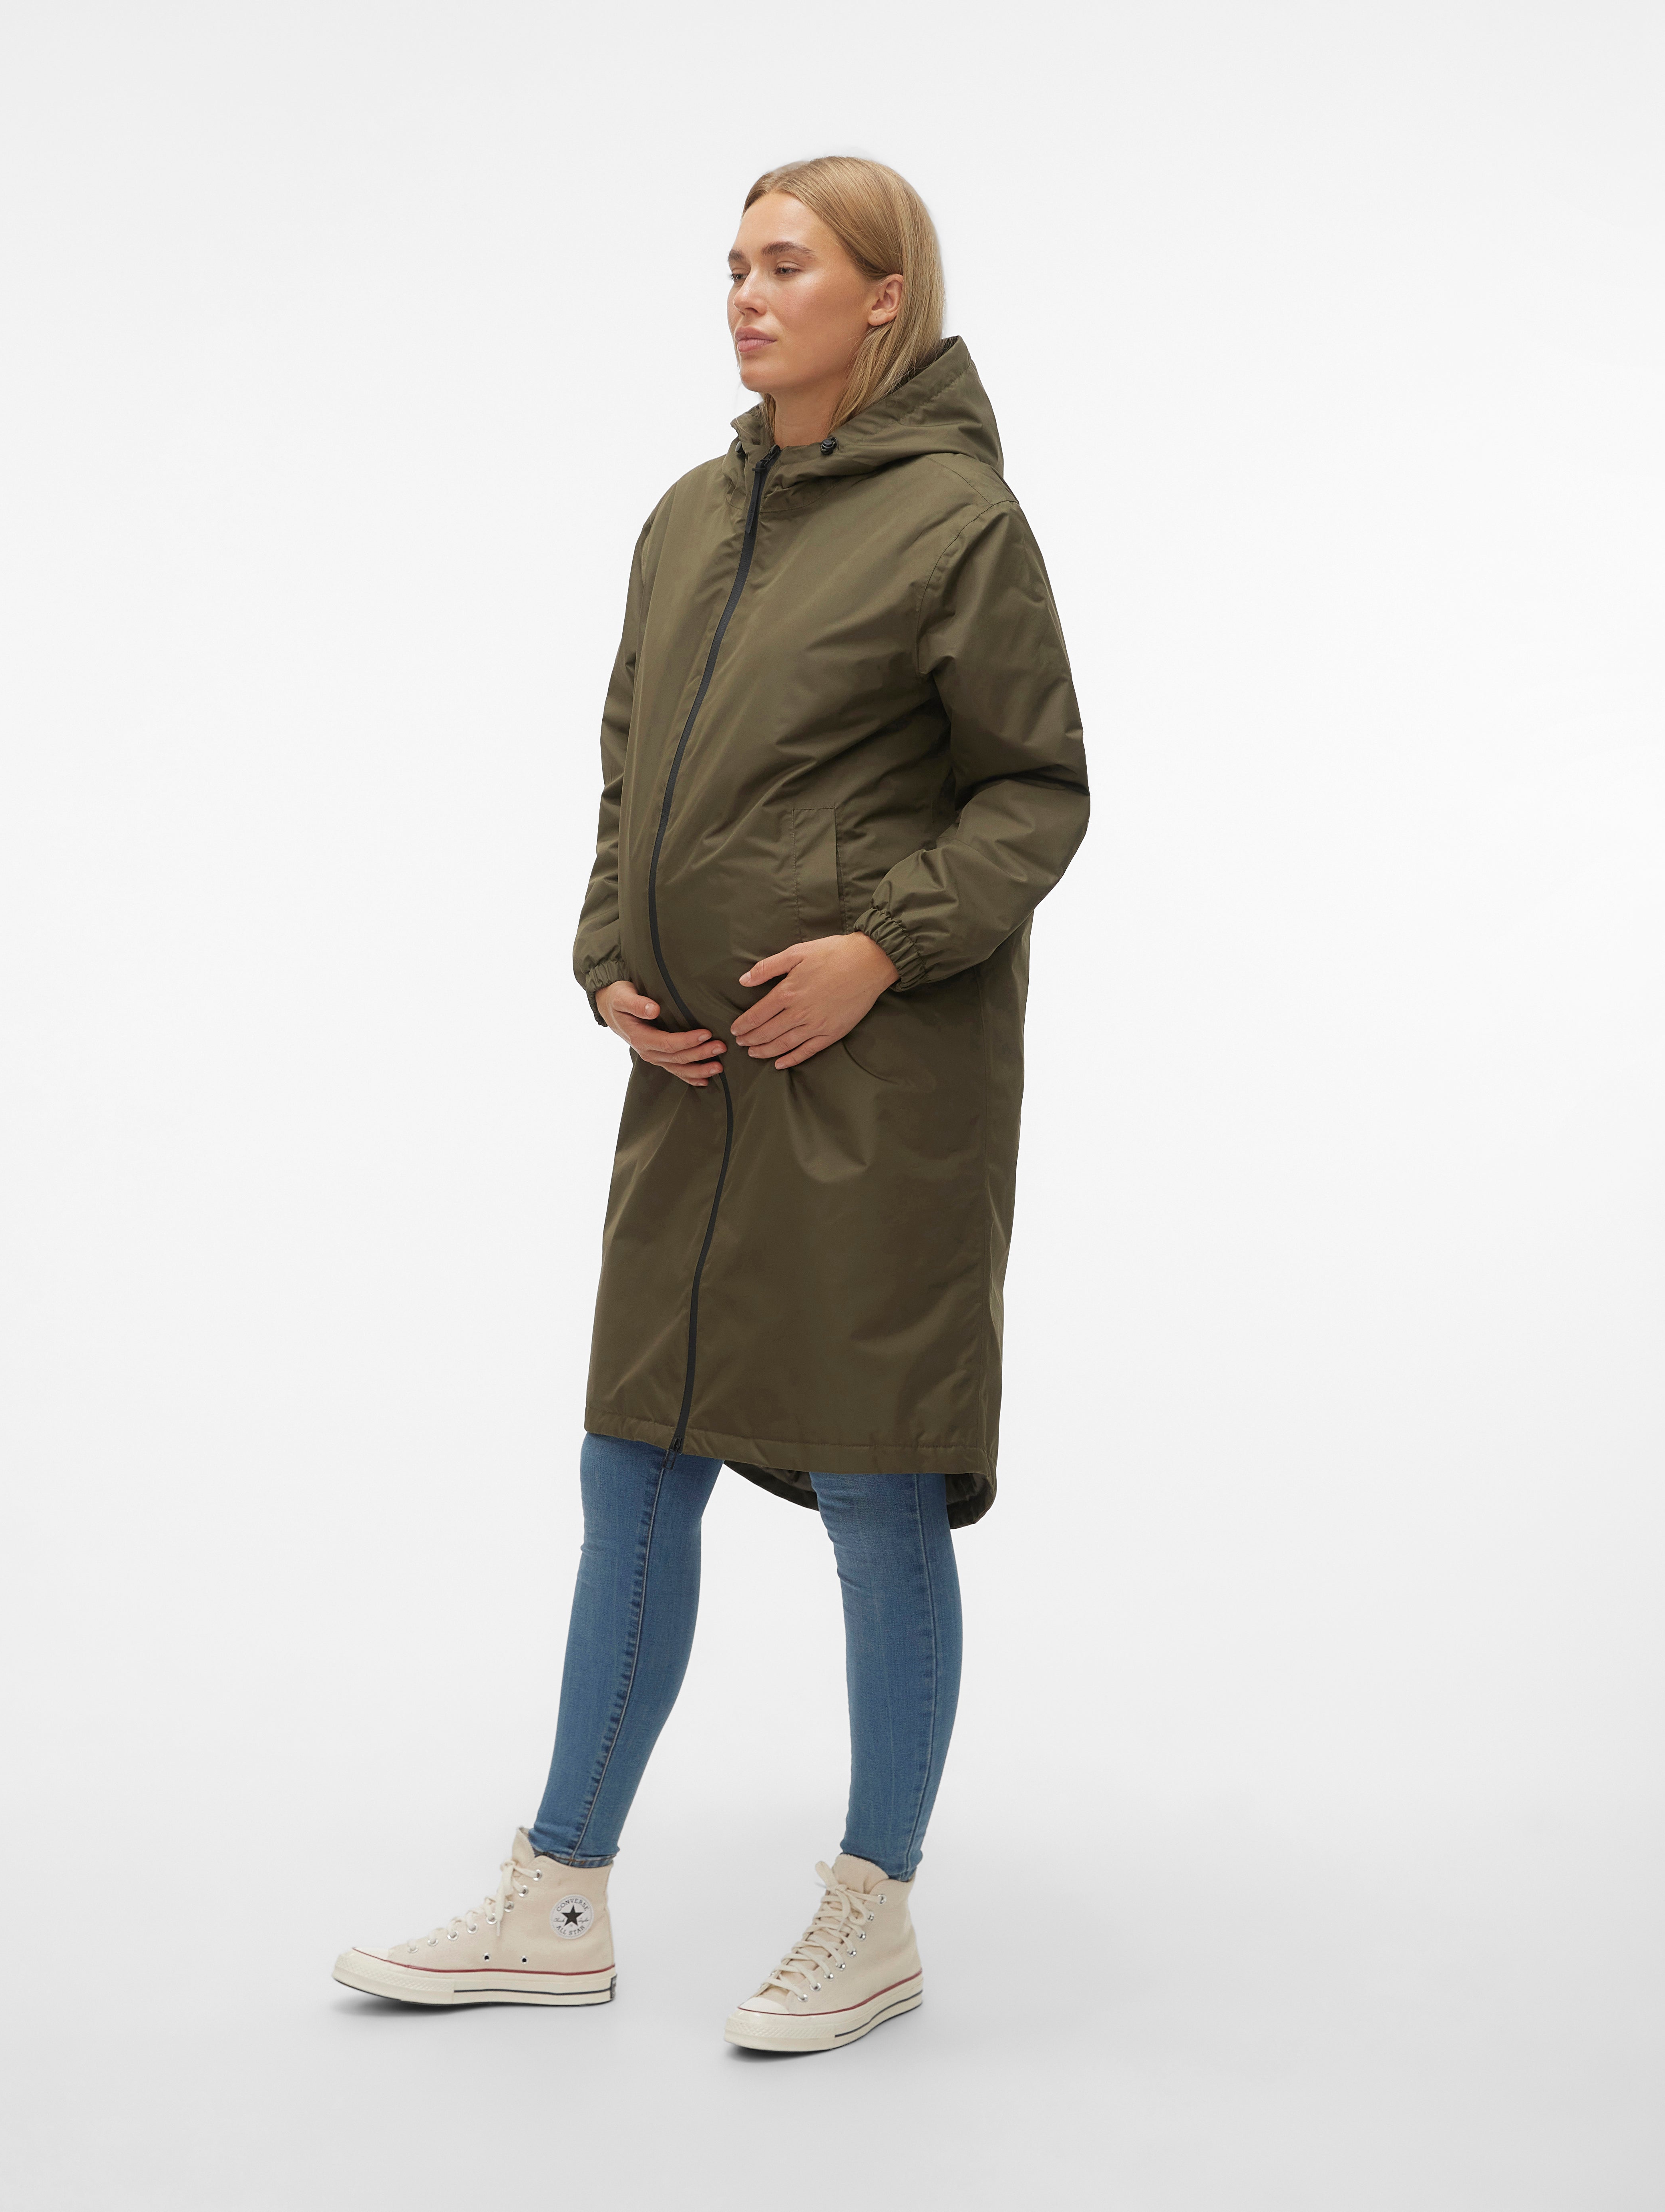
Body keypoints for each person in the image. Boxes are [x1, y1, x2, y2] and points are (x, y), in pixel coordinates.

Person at [334, 155, 1088, 2052]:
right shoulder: (689, 515)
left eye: (786, 264)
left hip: (873, 1082)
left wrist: (879, 947)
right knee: (635, 1456)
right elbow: (629, 774)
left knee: (875, 1476)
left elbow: (1033, 791)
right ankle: (558, 1891)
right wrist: (609, 953)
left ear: (882, 297)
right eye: (733, 264)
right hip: (691, 1083)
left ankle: (873, 1904)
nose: (745, 294)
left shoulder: (957, 522)